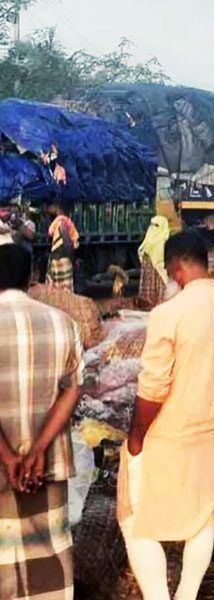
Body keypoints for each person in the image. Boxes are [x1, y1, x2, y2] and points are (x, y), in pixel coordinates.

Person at [118, 231, 214, 600]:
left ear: (176, 268)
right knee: (200, 520)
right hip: (211, 435)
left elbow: (152, 388)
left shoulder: (168, 314)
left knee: (137, 522)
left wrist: (136, 437)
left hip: (166, 437)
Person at [0, 244, 84, 600]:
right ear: (31, 276)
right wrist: (36, 450)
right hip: (45, 465)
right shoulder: (63, 323)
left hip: (4, 467)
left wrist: (8, 457)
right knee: (47, 549)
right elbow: (72, 390)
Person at [137, 216, 172, 309]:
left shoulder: (148, 240)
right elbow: (160, 261)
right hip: (159, 271)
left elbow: (141, 253)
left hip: (150, 272)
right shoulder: (161, 240)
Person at [47, 202, 79, 291]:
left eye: (51, 206)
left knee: (57, 287)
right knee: (65, 287)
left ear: (57, 207)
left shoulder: (61, 222)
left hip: (59, 256)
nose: (48, 208)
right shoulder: (66, 222)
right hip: (63, 256)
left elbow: (66, 241)